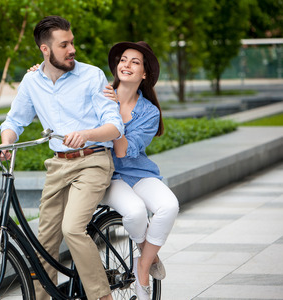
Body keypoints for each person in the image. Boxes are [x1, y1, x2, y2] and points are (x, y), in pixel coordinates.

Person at [0, 16, 124, 300]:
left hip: (93, 160)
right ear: (45, 49)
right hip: (57, 165)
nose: (72, 49)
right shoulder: (32, 81)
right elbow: (14, 121)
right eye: (64, 44)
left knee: (72, 228)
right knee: (45, 241)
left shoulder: (92, 76)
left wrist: (87, 133)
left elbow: (115, 126)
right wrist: (6, 143)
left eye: (72, 42)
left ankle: (101, 297)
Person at [101, 41, 180, 300]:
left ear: (144, 74)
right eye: (123, 59)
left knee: (169, 206)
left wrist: (113, 113)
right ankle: (149, 250)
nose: (127, 65)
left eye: (135, 62)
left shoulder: (149, 112)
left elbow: (123, 150)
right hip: (107, 174)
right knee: (135, 212)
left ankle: (143, 268)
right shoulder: (99, 95)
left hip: (138, 172)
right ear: (116, 65)